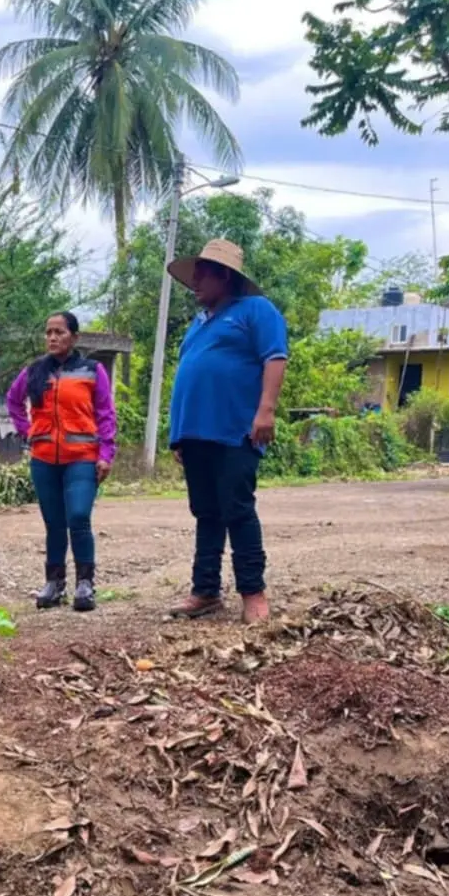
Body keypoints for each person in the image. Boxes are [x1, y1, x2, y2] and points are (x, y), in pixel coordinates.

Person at [165, 239, 288, 625]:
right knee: (206, 513)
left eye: (203, 274)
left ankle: (253, 592)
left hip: (236, 430)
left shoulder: (255, 310)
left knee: (237, 508)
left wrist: (265, 410)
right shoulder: (198, 324)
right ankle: (205, 591)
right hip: (195, 435)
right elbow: (188, 376)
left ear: (225, 275)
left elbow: (275, 357)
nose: (195, 282)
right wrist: (177, 434)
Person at [6, 311, 116, 612]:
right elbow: (13, 401)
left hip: (82, 458)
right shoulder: (33, 372)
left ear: (74, 337)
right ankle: (54, 584)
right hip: (43, 459)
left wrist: (106, 454)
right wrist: (28, 431)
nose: (52, 338)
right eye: (48, 332)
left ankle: (85, 583)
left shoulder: (92, 371)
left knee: (78, 517)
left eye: (59, 332)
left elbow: (106, 413)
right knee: (54, 523)